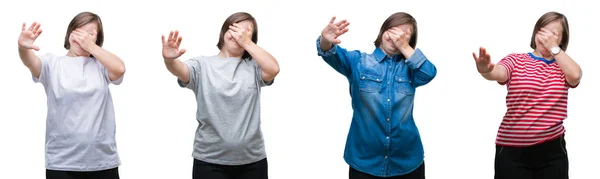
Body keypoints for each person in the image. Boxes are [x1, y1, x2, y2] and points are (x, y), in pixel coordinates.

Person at [316, 12, 437, 179]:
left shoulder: (412, 70)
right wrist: (325, 40)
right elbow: (329, 53)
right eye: (393, 31)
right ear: (383, 31)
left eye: (404, 35)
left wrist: (405, 47)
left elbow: (429, 73)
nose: (397, 38)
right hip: (365, 162)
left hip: (407, 162)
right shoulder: (358, 61)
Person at [161, 12, 280, 179]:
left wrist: (247, 43)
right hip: (209, 160)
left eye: (246, 31)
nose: (240, 34)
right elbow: (181, 71)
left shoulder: (254, 67)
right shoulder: (202, 65)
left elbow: (274, 69)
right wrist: (170, 60)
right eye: (236, 28)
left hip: (252, 160)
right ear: (224, 31)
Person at [472, 11, 581, 179]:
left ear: (562, 40)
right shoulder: (516, 60)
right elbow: (499, 73)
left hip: (552, 150)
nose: (547, 37)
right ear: (536, 32)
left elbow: (575, 76)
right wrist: (486, 70)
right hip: (512, 150)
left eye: (554, 33)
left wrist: (554, 49)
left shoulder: (563, 67)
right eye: (544, 31)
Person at [18, 11, 126, 179]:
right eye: (79, 31)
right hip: (62, 162)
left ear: (97, 40)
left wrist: (90, 47)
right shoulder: (52, 64)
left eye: (90, 34)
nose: (83, 38)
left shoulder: (101, 65)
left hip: (102, 161)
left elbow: (119, 69)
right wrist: (23, 48)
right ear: (69, 34)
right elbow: (31, 62)